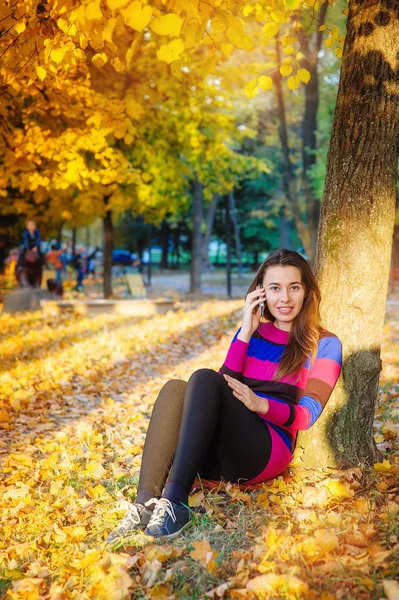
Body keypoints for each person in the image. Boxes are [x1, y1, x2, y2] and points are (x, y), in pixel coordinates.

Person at [106, 249, 342, 543]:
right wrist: (245, 331)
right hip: (220, 451)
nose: (284, 298)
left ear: (306, 291)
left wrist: (262, 405)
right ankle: (145, 503)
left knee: (204, 378)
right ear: (260, 293)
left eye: (294, 287)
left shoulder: (325, 344)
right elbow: (216, 391)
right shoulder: (251, 333)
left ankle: (176, 501)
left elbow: (307, 415)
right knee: (175, 388)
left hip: (265, 451)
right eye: (275, 288)